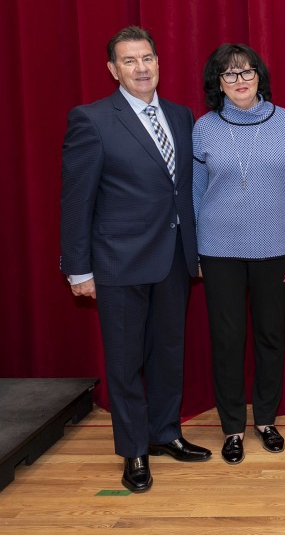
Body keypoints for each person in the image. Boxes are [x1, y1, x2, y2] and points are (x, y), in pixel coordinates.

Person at [60, 26, 212, 493]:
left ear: (158, 63)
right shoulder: (91, 119)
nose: (141, 68)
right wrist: (78, 267)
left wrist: (198, 250)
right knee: (125, 363)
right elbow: (76, 199)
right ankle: (134, 450)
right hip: (118, 262)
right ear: (113, 69)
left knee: (168, 354)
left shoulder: (182, 115)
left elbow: (184, 191)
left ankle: (165, 433)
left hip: (173, 258)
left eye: (147, 58)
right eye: (130, 61)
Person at [193, 44, 285, 466]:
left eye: (247, 72)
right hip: (217, 251)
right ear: (218, 84)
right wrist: (194, 253)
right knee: (227, 342)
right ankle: (231, 428)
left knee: (270, 337)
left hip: (273, 251)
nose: (240, 81)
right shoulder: (204, 129)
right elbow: (192, 195)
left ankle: (265, 419)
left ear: (259, 77)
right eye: (230, 75)